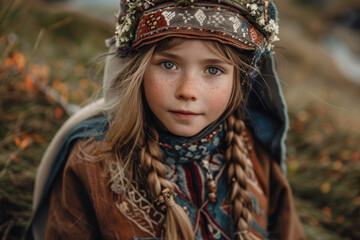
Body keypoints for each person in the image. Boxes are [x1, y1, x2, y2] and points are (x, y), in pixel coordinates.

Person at [25, 0, 306, 239]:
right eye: (168, 64)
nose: (187, 91)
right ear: (138, 69)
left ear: (240, 82)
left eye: (213, 70)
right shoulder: (91, 163)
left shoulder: (254, 155)